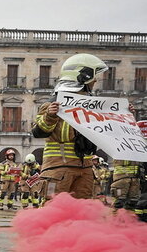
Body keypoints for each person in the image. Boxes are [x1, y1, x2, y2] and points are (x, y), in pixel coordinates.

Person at [32, 53, 113, 200]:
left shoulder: (92, 106)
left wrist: (125, 115)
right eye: (93, 76)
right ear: (83, 77)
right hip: (58, 168)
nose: (95, 81)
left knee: (83, 210)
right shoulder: (52, 104)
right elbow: (38, 132)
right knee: (54, 208)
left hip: (85, 168)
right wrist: (50, 116)